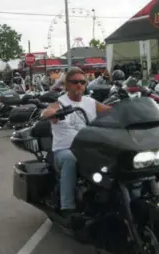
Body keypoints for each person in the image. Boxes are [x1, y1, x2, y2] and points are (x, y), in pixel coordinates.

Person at [42, 67, 111, 219]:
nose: (79, 85)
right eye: (74, 82)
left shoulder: (91, 102)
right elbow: (48, 111)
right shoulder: (60, 102)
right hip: (64, 150)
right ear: (67, 85)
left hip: (89, 149)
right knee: (70, 159)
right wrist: (51, 114)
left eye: (82, 82)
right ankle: (68, 207)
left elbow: (111, 111)